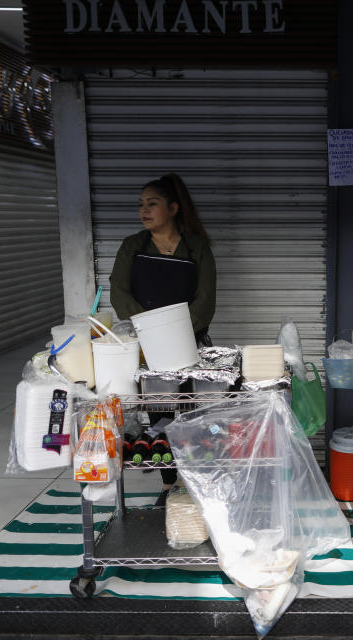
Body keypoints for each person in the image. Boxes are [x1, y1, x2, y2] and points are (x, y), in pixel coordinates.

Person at [110, 172, 216, 505]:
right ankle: (170, 483)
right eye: (141, 204)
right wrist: (150, 332)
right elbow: (119, 293)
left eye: (152, 203)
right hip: (148, 347)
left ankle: (198, 482)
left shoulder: (196, 246)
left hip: (191, 344)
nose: (144, 210)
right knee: (160, 412)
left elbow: (206, 298)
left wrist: (180, 335)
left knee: (193, 412)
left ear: (172, 208)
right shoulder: (132, 246)